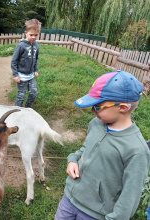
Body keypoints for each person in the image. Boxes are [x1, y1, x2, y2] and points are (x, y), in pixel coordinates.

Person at [55, 70, 150, 220]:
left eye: (97, 107)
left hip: (94, 215)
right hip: (69, 201)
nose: (92, 111)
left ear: (123, 107)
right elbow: (85, 149)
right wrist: (73, 159)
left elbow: (130, 197)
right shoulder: (96, 124)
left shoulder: (137, 150)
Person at [11, 18, 41, 108]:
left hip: (31, 76)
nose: (33, 37)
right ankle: (16, 111)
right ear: (26, 33)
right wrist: (15, 75)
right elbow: (14, 61)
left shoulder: (36, 46)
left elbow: (35, 59)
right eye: (31, 34)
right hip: (21, 76)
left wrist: (35, 70)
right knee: (21, 95)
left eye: (36, 35)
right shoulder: (21, 46)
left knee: (33, 93)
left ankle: (27, 108)